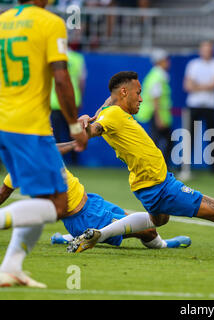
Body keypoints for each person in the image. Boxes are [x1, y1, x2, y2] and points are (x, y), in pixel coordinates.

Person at [70, 71, 214, 263]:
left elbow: (104, 109)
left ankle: (99, 234)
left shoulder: (110, 111)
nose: (141, 99)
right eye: (138, 93)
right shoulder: (112, 116)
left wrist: (89, 116)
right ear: (124, 92)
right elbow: (93, 131)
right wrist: (83, 126)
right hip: (160, 187)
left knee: (158, 221)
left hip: (147, 186)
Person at [0, 0, 88, 288]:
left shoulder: (3, 21)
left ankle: (12, 267)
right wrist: (75, 125)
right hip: (29, 126)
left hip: (5, 121)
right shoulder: (50, 23)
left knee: (42, 199)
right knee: (58, 203)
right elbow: (62, 79)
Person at [0, 142, 191, 251]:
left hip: (92, 202)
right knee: (148, 230)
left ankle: (70, 237)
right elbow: (3, 193)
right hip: (86, 216)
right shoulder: (23, 168)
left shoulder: (37, 153)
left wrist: (74, 143)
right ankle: (165, 245)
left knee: (128, 218)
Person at [183, 40, 214, 174]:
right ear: (200, 50)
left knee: (212, 136)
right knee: (189, 136)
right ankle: (185, 166)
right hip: (193, 105)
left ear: (212, 50)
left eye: (209, 49)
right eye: (204, 49)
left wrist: (196, 85)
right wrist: (203, 86)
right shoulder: (193, 64)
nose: (206, 51)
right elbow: (187, 86)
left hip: (210, 105)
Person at [136, 49, 173, 165]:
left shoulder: (155, 75)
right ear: (159, 61)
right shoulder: (158, 76)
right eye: (166, 60)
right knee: (158, 142)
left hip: (155, 113)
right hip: (156, 114)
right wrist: (159, 118)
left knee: (158, 142)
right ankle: (155, 167)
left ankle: (156, 167)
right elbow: (155, 98)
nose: (168, 62)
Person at [50, 48, 87, 165]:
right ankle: (75, 161)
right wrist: (79, 98)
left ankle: (57, 161)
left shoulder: (53, 55)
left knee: (56, 133)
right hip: (72, 100)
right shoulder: (77, 58)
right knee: (74, 131)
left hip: (55, 101)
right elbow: (82, 81)